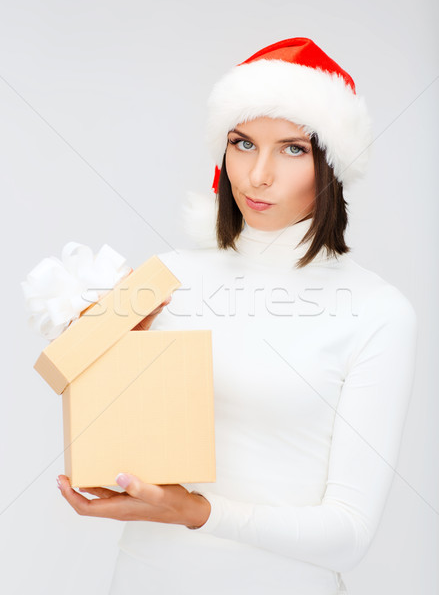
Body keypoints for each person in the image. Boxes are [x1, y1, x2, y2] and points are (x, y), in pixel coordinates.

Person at [57, 37, 418, 594]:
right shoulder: (164, 278)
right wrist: (98, 357)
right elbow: (75, 388)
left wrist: (198, 512)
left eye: (293, 149)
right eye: (243, 143)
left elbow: (349, 534)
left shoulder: (376, 311)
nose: (258, 175)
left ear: (332, 164)